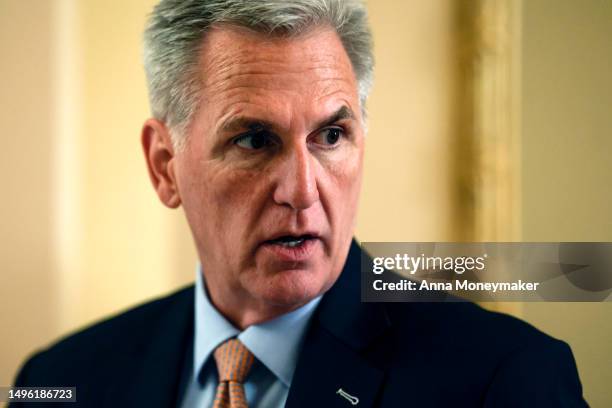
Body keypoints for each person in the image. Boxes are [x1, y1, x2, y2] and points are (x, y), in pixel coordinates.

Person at [12, 0, 587, 407]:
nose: (303, 190)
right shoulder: (59, 381)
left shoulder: (504, 379)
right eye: (255, 141)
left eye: (331, 137)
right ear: (165, 166)